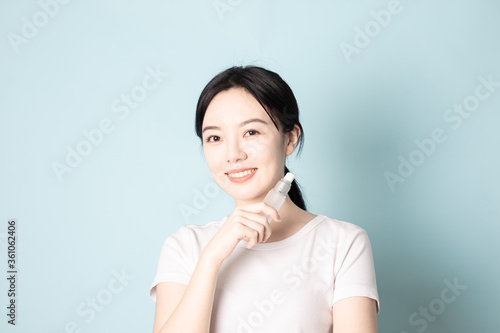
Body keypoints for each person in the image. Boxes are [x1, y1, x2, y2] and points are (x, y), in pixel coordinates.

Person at [149, 65, 380, 332]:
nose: (233, 154)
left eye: (251, 132)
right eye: (214, 137)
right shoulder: (185, 247)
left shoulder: (344, 243)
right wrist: (211, 257)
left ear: (290, 138)